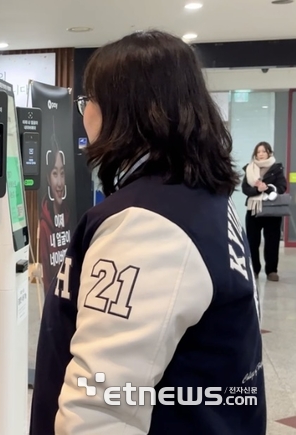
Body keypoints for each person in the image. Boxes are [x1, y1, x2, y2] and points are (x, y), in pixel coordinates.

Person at [30, 30, 265, 435]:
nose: (84, 115)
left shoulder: (146, 224)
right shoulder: (199, 198)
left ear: (125, 111)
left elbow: (100, 410)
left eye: (89, 101)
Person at [242, 141, 287, 282]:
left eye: (263, 151)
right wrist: (257, 190)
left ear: (269, 152)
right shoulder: (249, 169)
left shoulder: (276, 168)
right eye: (258, 152)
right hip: (253, 210)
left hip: (271, 209)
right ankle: (254, 269)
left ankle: (272, 271)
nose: (260, 154)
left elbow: (282, 187)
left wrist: (267, 188)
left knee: (272, 242)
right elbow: (245, 189)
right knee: (252, 241)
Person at [38, 140, 71, 296]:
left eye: (62, 173)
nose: (59, 183)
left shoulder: (70, 216)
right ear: (48, 178)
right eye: (55, 174)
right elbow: (46, 283)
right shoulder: (44, 226)